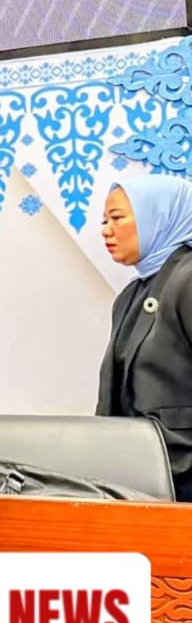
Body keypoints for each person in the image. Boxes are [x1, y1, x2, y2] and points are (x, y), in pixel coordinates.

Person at [97, 173, 192, 501]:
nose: (106, 230)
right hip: (137, 483)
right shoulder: (130, 295)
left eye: (117, 218)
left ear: (160, 216)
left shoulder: (188, 280)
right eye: (104, 221)